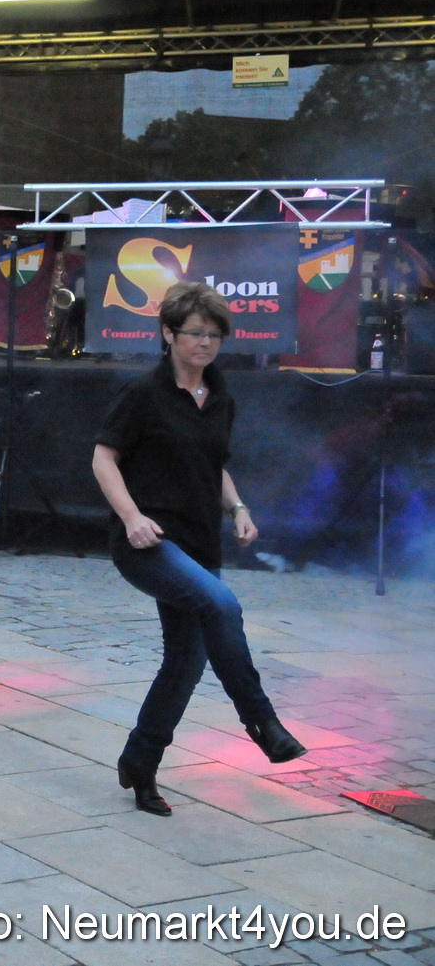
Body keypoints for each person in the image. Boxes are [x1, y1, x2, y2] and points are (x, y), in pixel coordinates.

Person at [93, 281, 306, 817]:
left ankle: (140, 765)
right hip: (147, 542)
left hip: (198, 540)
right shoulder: (143, 394)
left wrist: (238, 509)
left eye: (214, 335)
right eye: (194, 333)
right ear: (167, 334)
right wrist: (131, 516)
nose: (205, 344)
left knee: (185, 663)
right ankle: (263, 722)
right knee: (221, 604)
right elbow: (103, 459)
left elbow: (212, 466)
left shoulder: (221, 398)